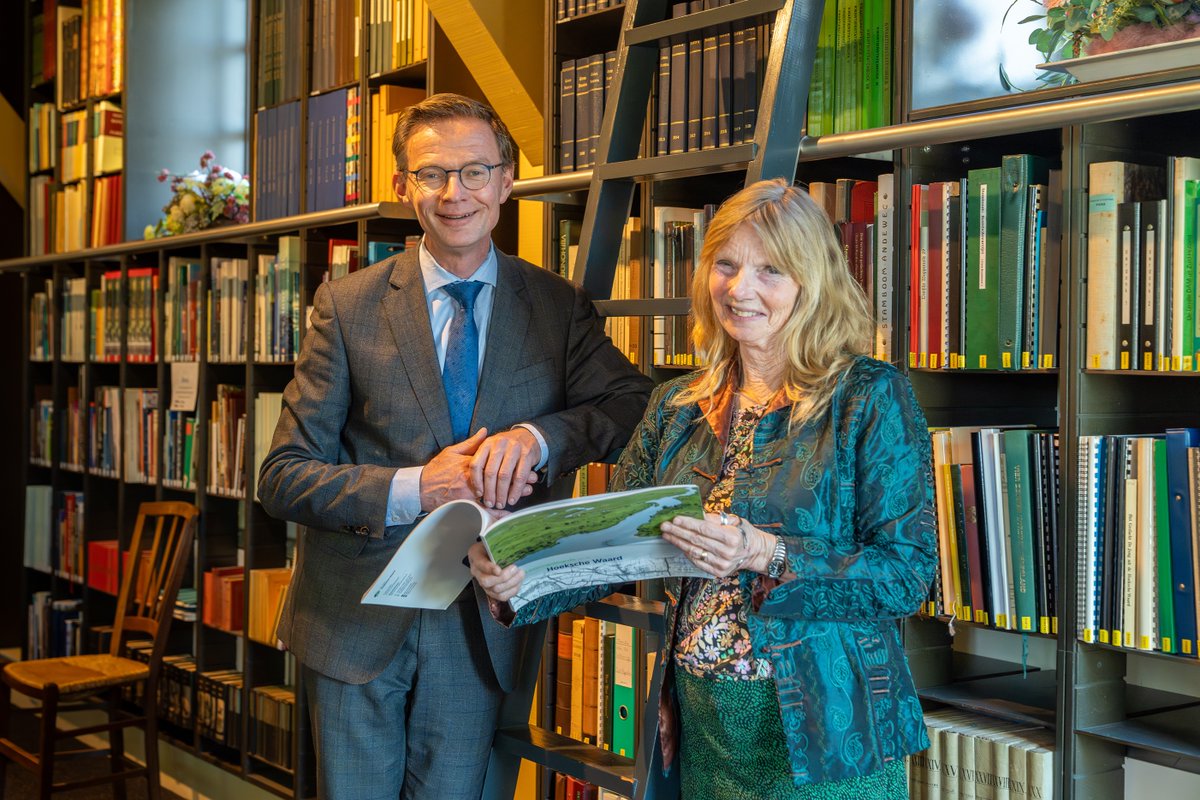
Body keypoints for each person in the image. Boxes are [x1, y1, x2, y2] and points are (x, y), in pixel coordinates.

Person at [471, 178, 937, 799]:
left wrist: (765, 554)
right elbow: (613, 546)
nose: (740, 289)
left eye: (770, 270)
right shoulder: (676, 405)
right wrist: (521, 582)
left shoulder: (868, 397)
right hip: (705, 720)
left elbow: (907, 574)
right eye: (726, 264)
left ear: (812, 280)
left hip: (826, 726)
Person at [257, 92, 653, 800]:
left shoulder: (557, 307)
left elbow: (630, 403)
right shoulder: (346, 306)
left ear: (505, 182)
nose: (454, 193)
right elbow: (283, 477)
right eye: (432, 173)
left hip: (480, 629)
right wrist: (417, 487)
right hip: (355, 622)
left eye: (475, 172)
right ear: (402, 186)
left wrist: (538, 437)